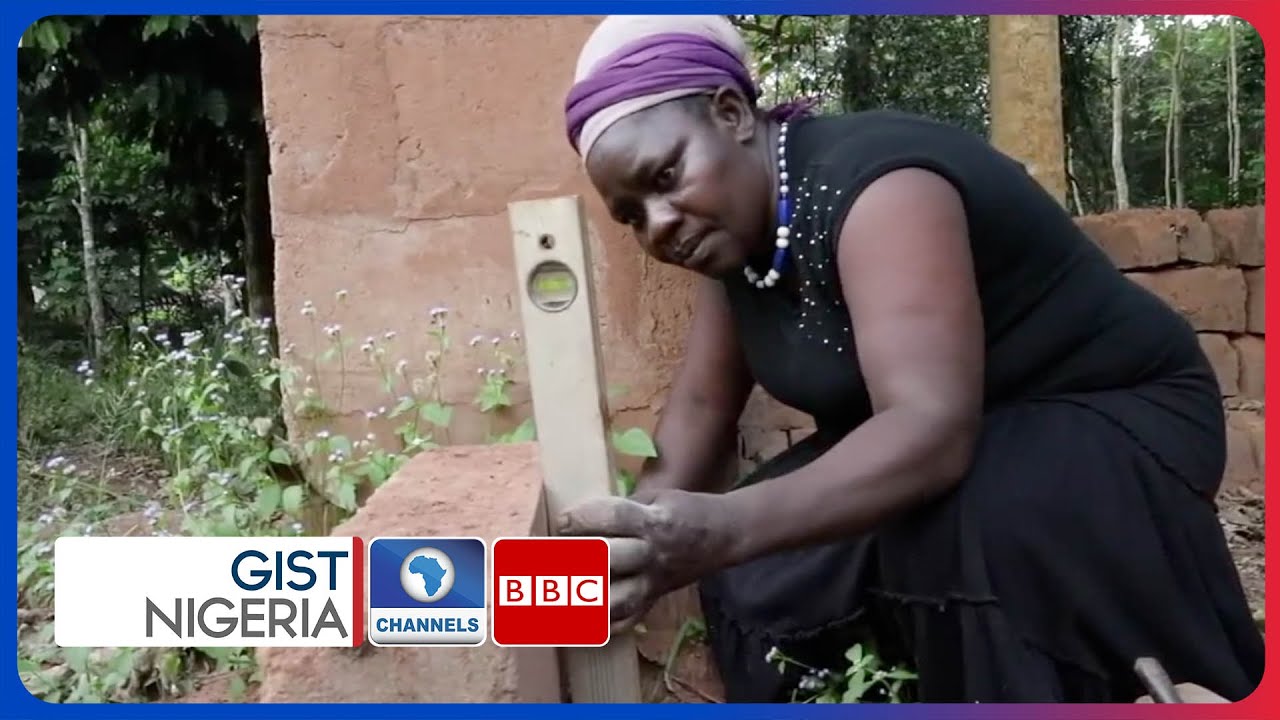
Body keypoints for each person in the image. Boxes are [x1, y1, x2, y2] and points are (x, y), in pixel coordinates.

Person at [553, 15, 1264, 704]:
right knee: (765, 567)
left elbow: (928, 430)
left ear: (733, 113)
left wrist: (723, 529)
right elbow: (698, 420)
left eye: (667, 175)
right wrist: (618, 555)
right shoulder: (738, 253)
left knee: (958, 530)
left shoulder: (875, 187)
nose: (660, 223)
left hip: (1112, 411)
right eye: (632, 215)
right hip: (978, 436)